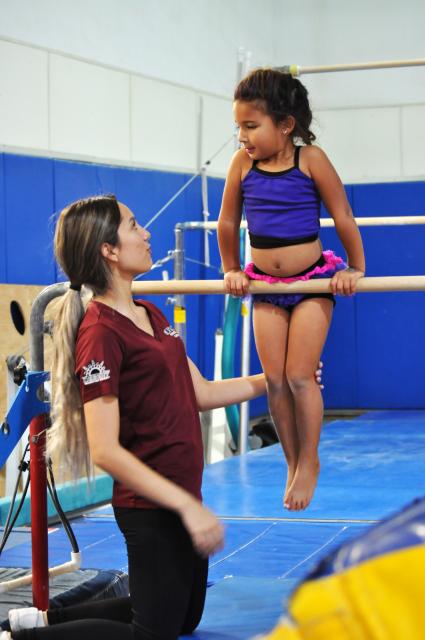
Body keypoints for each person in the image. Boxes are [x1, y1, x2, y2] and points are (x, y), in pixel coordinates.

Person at [1, 194, 268, 640]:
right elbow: (105, 450)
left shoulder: (152, 314)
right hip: (150, 504)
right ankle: (20, 638)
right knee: (152, 633)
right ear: (108, 250)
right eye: (134, 225)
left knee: (183, 619)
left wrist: (274, 380)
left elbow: (199, 392)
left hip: (184, 491)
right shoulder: (101, 333)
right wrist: (185, 506)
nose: (146, 234)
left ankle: (46, 620)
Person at [217, 68, 365, 512]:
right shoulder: (243, 165)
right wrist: (230, 269)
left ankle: (310, 459)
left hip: (313, 281)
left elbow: (342, 215)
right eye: (238, 126)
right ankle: (291, 460)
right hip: (264, 284)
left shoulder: (311, 159)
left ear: (286, 125)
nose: (242, 136)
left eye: (251, 126)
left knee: (301, 375)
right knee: (276, 380)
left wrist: (355, 267)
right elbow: (227, 222)